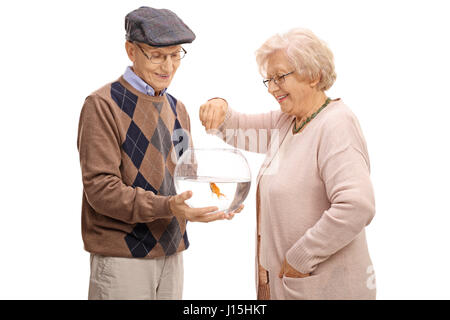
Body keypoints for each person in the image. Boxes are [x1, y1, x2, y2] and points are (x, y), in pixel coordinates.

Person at [200, 28, 376, 299]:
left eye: (280, 77)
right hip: (286, 287)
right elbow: (235, 126)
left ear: (314, 75)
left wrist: (300, 259)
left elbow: (357, 206)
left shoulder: (336, 124)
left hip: (323, 289)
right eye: (268, 80)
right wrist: (218, 104)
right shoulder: (287, 122)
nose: (272, 89)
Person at [77, 6, 240, 300]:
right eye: (157, 55)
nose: (168, 66)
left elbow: (185, 179)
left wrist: (211, 203)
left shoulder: (178, 109)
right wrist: (168, 207)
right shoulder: (102, 105)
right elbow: (101, 191)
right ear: (131, 50)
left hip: (171, 252)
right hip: (122, 259)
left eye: (175, 54)